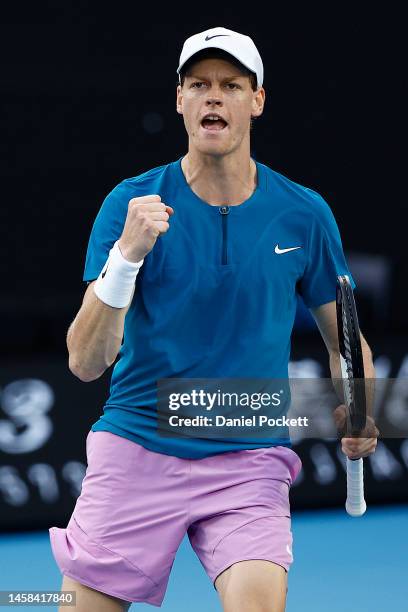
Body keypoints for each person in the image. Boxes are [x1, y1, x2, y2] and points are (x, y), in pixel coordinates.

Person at [49, 26, 378, 612]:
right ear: (180, 100)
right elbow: (84, 361)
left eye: (230, 84)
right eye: (198, 84)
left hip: (247, 459)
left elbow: (343, 340)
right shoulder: (132, 204)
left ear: (257, 101)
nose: (213, 96)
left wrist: (361, 408)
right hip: (138, 446)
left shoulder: (303, 214)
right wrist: (126, 258)